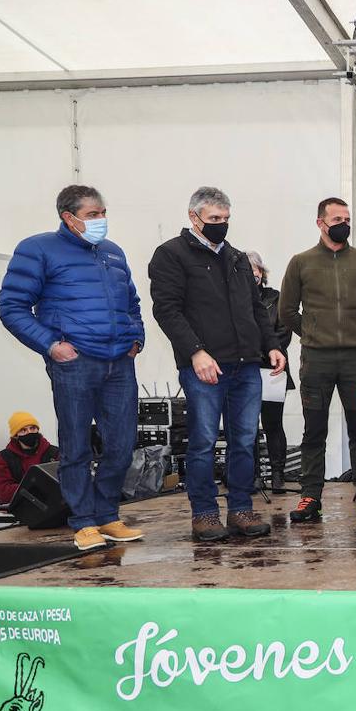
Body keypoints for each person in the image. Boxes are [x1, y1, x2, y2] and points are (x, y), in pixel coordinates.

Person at [0, 185, 145, 551]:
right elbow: (12, 306)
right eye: (93, 214)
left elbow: (132, 301)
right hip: (76, 362)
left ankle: (107, 513)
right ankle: (83, 522)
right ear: (69, 216)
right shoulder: (38, 248)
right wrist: (51, 345)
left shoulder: (113, 252)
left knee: (123, 444)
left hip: (118, 363)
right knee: (76, 445)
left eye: (103, 212)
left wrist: (135, 339)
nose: (101, 220)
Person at [150, 186, 284, 542]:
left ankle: (241, 509)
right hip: (204, 367)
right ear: (194, 218)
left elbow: (255, 308)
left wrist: (270, 345)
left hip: (245, 366)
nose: (221, 225)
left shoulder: (238, 258)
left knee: (244, 440)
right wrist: (196, 351)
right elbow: (167, 309)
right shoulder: (171, 255)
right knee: (204, 441)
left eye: (225, 219)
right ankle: (205, 514)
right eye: (213, 220)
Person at [280, 197, 356, 522]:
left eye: (347, 217)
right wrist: (315, 334)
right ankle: (310, 496)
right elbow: (286, 312)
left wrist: (354, 332)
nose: (344, 223)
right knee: (315, 430)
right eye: (337, 218)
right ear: (320, 223)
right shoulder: (301, 263)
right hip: (316, 361)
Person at [247, 251, 294, 494]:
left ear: (262, 273)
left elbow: (283, 333)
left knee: (273, 423)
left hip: (273, 370)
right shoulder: (234, 299)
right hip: (245, 370)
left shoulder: (276, 298)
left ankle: (278, 475)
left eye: (256, 268)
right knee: (248, 426)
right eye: (247, 269)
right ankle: (253, 475)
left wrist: (266, 350)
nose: (253, 273)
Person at [0, 413, 60, 506]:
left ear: (38, 430)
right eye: (23, 430)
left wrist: (28, 488)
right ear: (15, 435)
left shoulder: (55, 453)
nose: (29, 432)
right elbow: (4, 492)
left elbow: (66, 482)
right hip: (20, 509)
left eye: (32, 428)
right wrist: (38, 487)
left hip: (54, 506)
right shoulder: (3, 458)